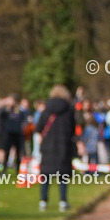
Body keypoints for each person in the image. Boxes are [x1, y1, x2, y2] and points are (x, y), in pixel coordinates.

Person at [37, 84, 76, 212]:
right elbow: (72, 129)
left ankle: (43, 200)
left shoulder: (46, 110)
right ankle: (63, 201)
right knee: (63, 175)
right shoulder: (69, 110)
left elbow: (39, 128)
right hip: (63, 145)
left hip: (48, 145)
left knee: (46, 175)